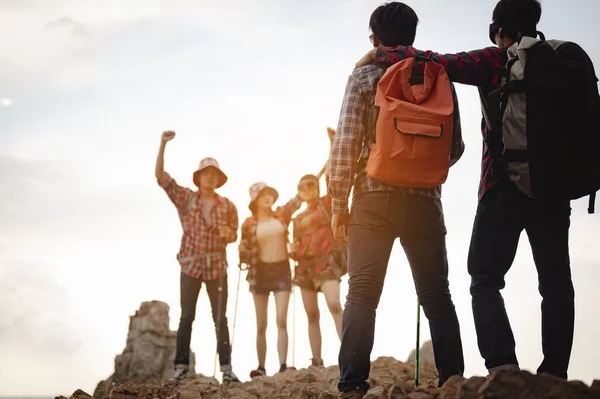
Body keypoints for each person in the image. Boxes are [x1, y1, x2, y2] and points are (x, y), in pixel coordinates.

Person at [355, 0, 584, 380]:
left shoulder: (494, 60)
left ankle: (502, 365)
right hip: (554, 189)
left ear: (498, 30)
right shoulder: (562, 60)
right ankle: (555, 371)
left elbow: (435, 61)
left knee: (485, 279)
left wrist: (381, 52)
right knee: (556, 282)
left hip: (501, 188)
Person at [328, 3, 466, 397]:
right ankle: (453, 382)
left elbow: (344, 144)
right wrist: (419, 170)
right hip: (425, 203)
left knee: (362, 294)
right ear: (413, 36)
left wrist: (339, 205)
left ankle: (352, 384)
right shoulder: (438, 77)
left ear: (374, 37)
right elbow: (454, 147)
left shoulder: (364, 75)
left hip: (372, 200)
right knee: (437, 297)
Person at [155, 131, 240, 383]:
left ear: (218, 178)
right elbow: (161, 178)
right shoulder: (187, 199)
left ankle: (226, 368)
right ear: (199, 177)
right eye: (206, 173)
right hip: (190, 265)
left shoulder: (228, 206)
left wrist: (229, 234)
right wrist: (162, 145)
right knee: (186, 317)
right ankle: (181, 367)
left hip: (217, 266)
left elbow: (234, 233)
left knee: (220, 319)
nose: (210, 178)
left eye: (214, 174)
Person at [290, 129, 345, 367]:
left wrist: (333, 145)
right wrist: (293, 250)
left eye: (311, 185)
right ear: (299, 193)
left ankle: (348, 350)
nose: (308, 190)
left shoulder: (327, 203)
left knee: (334, 304)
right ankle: (317, 359)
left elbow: (332, 176)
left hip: (327, 261)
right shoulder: (296, 219)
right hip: (305, 267)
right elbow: (296, 244)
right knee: (312, 314)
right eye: (303, 187)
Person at [239, 182, 302, 378]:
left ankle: (283, 364)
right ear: (255, 200)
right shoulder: (248, 223)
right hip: (259, 272)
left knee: (281, 319)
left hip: (282, 269)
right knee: (261, 324)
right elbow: (244, 252)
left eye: (269, 194)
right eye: (263, 195)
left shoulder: (281, 214)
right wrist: (242, 252)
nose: (267, 198)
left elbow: (298, 199)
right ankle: (261, 367)